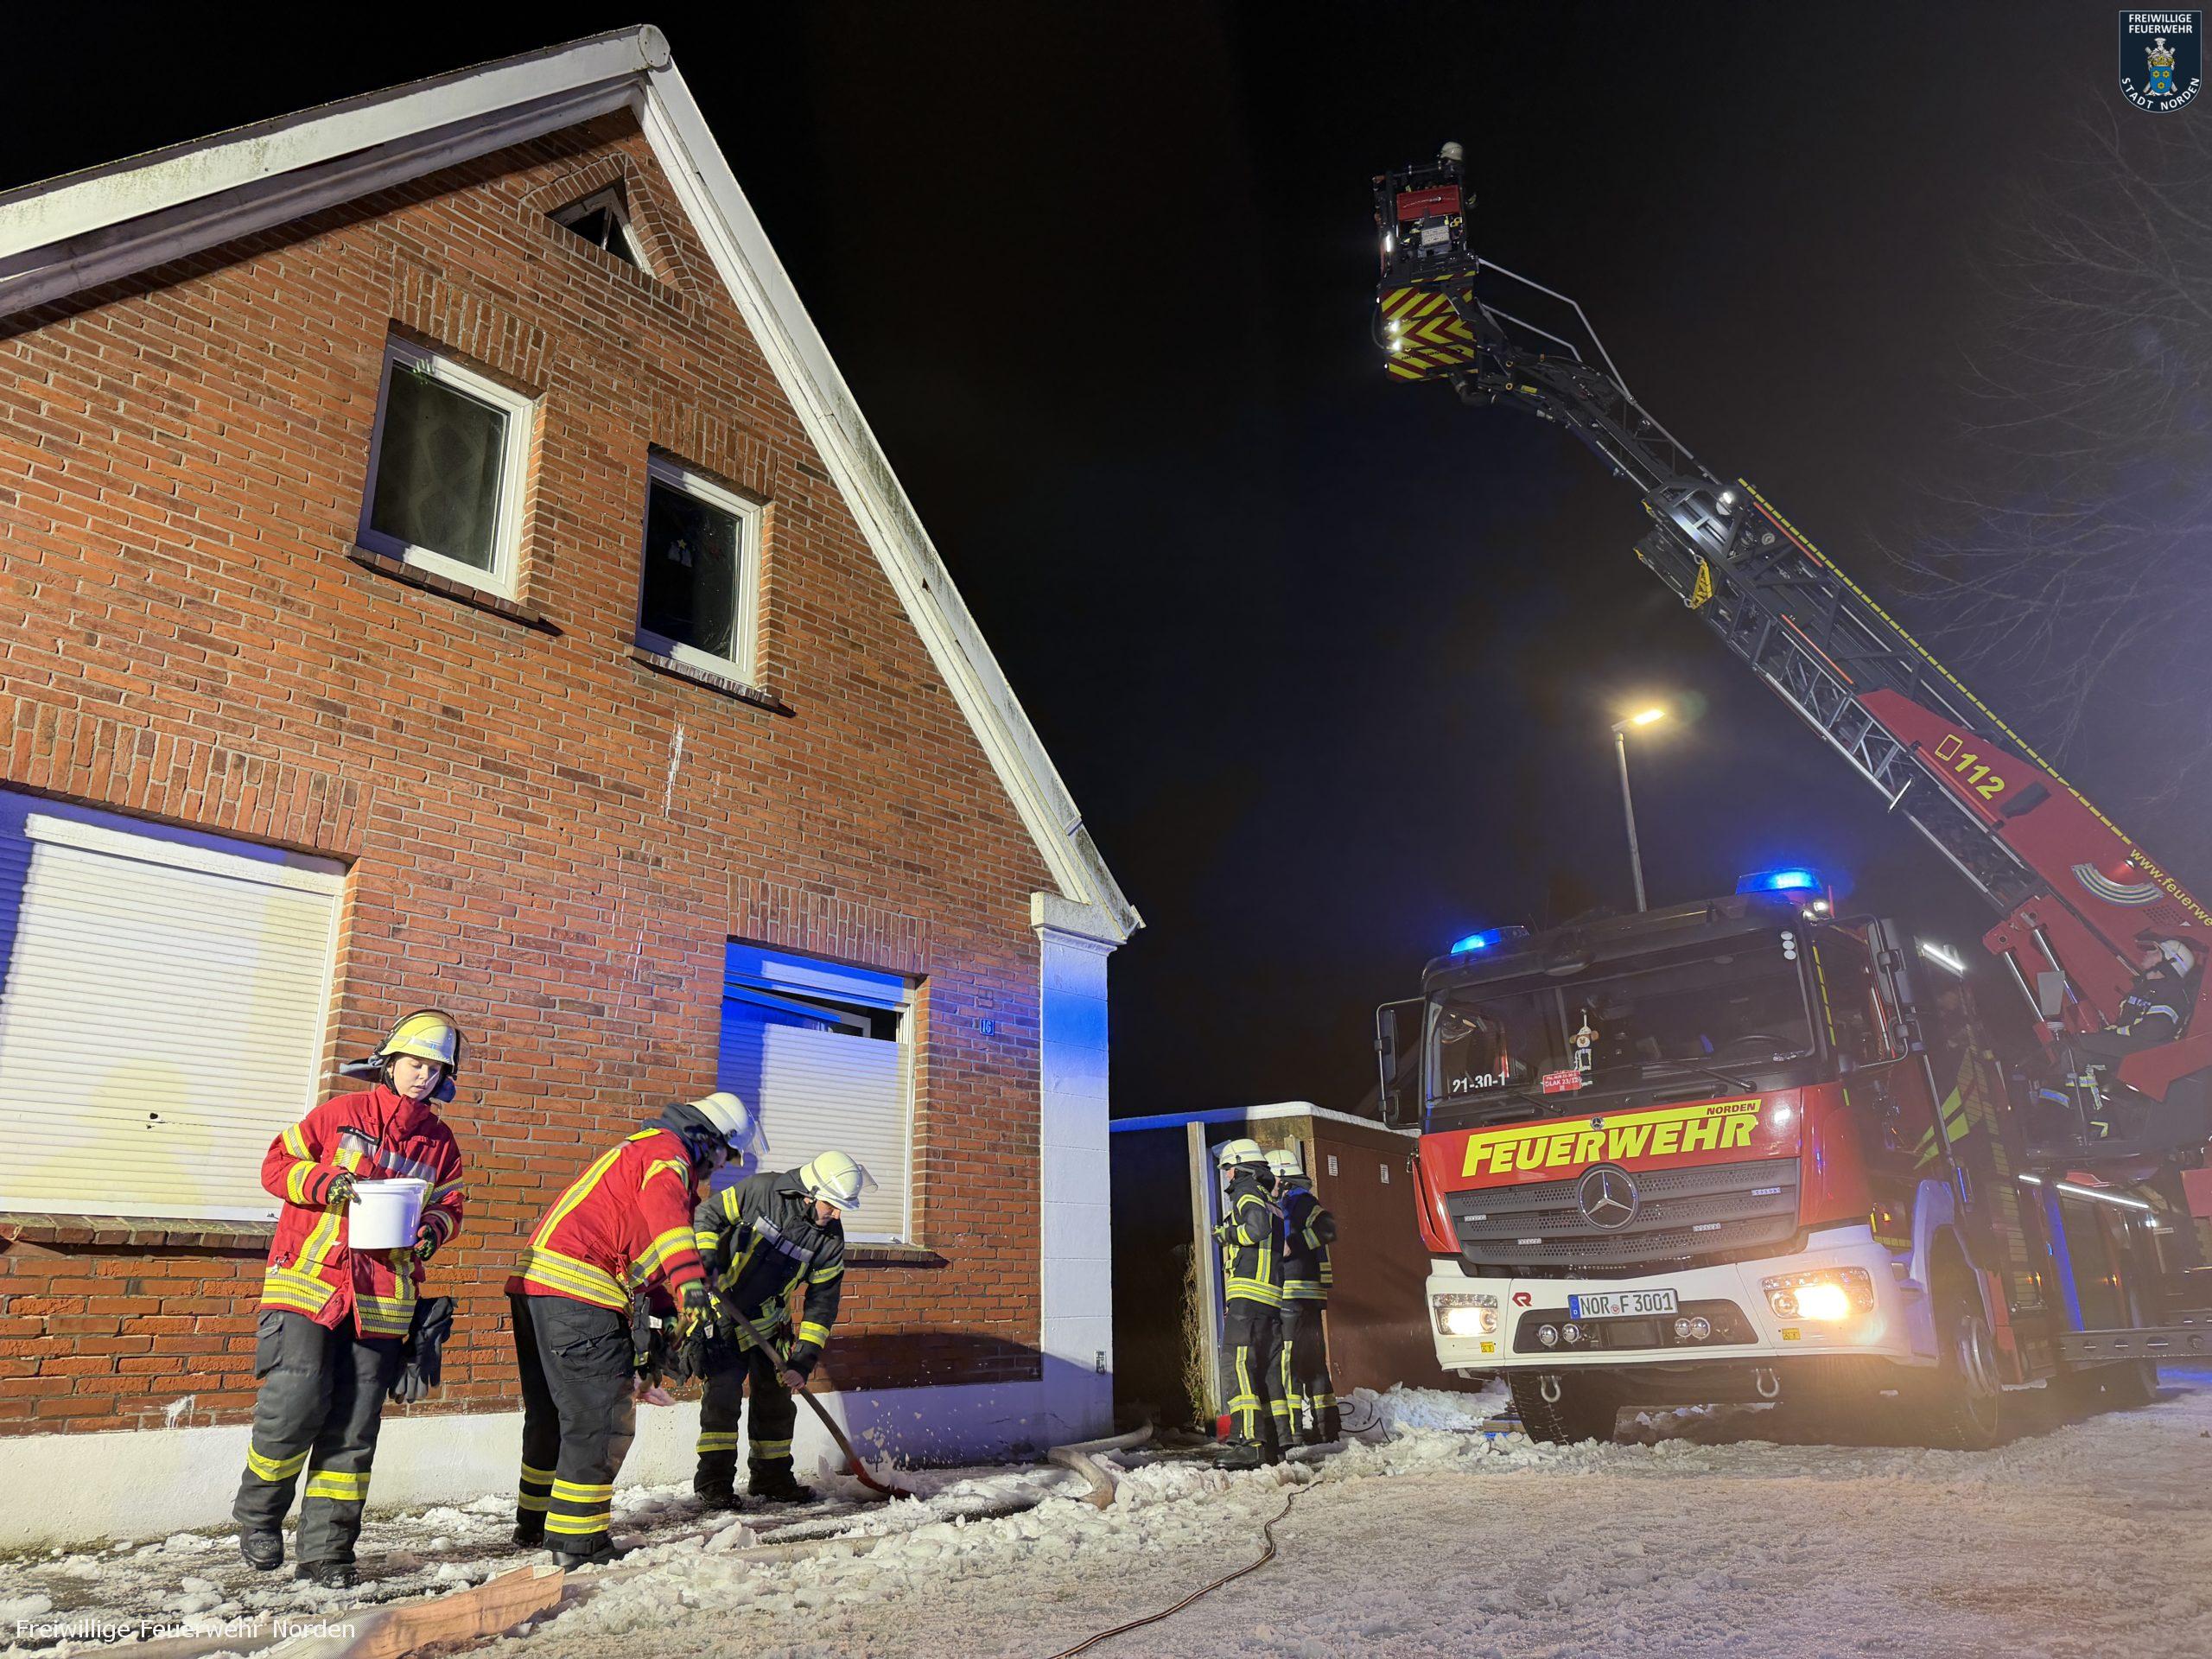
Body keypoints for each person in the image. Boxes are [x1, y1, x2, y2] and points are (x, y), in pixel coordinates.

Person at [233, 1009, 469, 1588]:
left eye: (435, 1070)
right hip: (308, 1284)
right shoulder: (341, 1113)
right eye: (414, 1064)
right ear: (389, 1063)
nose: (423, 1077)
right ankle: (259, 1516)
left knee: (355, 1428)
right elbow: (276, 1165)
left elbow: (450, 1205)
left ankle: (328, 1553)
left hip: (383, 1297)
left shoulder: (440, 1144)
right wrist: (325, 1183)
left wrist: (430, 1231)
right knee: (295, 1403)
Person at [508, 1092, 751, 1567]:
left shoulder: (641, 1151)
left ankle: (536, 1522)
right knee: (599, 1420)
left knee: (553, 1416)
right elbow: (669, 1226)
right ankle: (577, 1545)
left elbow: (645, 1255)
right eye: (725, 1155)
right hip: (579, 1292)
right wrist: (691, 1286)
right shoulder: (669, 1156)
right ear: (710, 1140)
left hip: (539, 1288)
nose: (721, 1167)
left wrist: (664, 1319)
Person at [689, 1150, 869, 1508]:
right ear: (810, 1193)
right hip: (722, 1315)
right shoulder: (762, 1191)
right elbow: (707, 1216)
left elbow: (822, 1304)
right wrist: (706, 1262)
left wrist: (803, 1360)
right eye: (831, 1205)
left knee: (776, 1406)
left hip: (770, 1325)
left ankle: (771, 1480)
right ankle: (714, 1484)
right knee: (722, 1401)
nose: (836, 1215)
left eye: (841, 1208)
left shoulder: (830, 1241)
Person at [1211, 1138, 1287, 1466]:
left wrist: (1226, 1235)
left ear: (1240, 1167)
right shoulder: (1272, 1202)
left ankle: (1249, 1442)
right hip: (1269, 1300)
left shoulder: (1246, 1192)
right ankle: (1272, 1444)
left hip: (1249, 1297)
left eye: (1228, 1169)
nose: (1227, 1176)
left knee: (1236, 1365)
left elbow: (1255, 1230)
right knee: (1263, 1370)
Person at [1266, 1147, 1339, 1445]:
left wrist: (1292, 1244)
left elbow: (1328, 1228)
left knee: (1288, 1362)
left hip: (1294, 1293)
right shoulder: (1291, 1201)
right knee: (1312, 1361)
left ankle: (1293, 1431)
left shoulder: (1299, 1201)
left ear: (1283, 1178)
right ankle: (1326, 1428)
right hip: (1306, 1297)